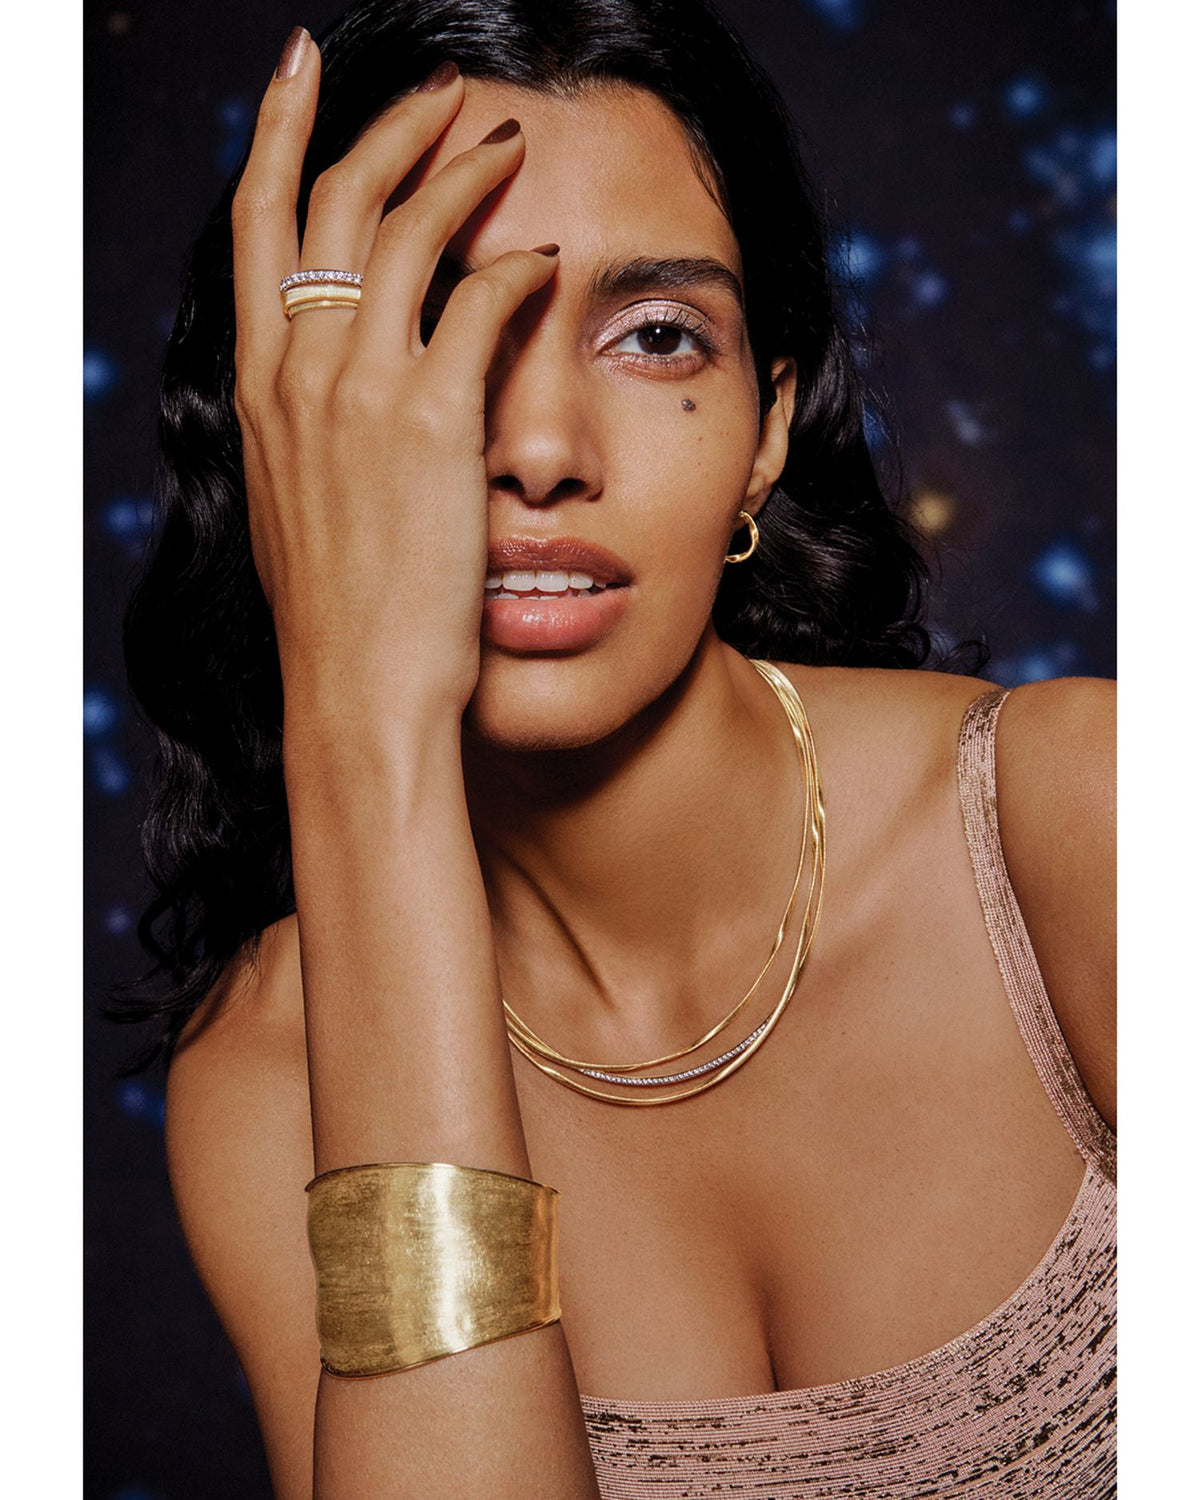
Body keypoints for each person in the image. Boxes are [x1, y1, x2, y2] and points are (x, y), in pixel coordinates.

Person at [119, 1, 1115, 1494]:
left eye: (655, 336)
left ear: (765, 431)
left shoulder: (1084, 821)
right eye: (435, 332)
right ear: (297, 441)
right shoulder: (267, 1063)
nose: (540, 449)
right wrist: (359, 721)